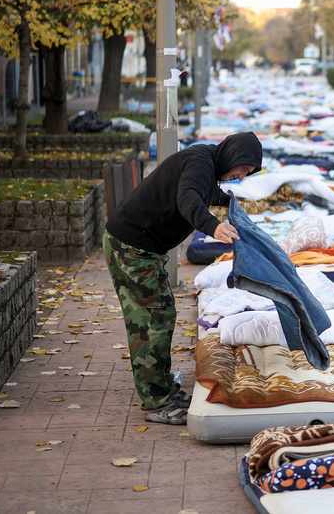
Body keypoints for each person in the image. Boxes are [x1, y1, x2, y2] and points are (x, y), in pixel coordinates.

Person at [103, 131, 263, 424]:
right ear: (234, 155)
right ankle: (156, 401)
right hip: (131, 248)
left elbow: (202, 191)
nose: (242, 176)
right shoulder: (200, 162)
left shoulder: (205, 164)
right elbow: (188, 197)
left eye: (248, 173)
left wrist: (227, 203)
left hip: (141, 248)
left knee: (161, 314)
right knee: (151, 320)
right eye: (244, 168)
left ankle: (162, 385)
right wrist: (212, 226)